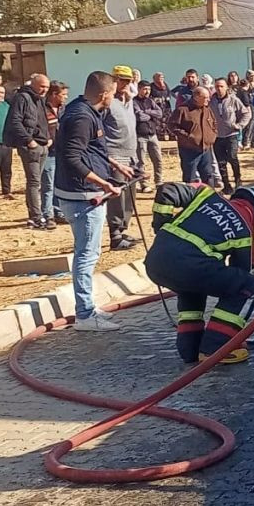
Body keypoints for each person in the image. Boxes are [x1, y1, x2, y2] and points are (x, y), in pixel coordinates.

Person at [145, 183, 254, 364]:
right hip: (191, 266)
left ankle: (190, 349)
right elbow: (242, 276)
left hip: (155, 261)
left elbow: (167, 191)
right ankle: (215, 347)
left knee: (192, 289)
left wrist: (160, 226)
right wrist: (233, 332)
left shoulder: (205, 195)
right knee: (248, 286)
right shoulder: (245, 232)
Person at [55, 70, 131, 332]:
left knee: (90, 252)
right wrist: (105, 184)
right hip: (83, 196)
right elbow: (72, 158)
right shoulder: (80, 117)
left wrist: (114, 165)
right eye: (113, 93)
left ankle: (88, 307)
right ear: (104, 94)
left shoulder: (86, 110)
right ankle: (85, 315)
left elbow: (91, 149)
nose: (115, 97)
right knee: (86, 254)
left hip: (88, 192)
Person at [2, 73, 52, 228]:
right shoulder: (22, 98)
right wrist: (29, 141)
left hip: (43, 146)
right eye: (42, 86)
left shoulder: (40, 99)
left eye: (47, 87)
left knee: (39, 183)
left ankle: (37, 215)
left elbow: (43, 120)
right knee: (34, 183)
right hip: (31, 147)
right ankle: (36, 218)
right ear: (33, 84)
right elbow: (15, 121)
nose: (44, 90)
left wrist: (48, 137)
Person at [103, 65, 140, 251]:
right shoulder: (108, 103)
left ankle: (123, 228)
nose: (126, 84)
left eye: (128, 80)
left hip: (131, 156)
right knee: (117, 196)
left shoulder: (130, 102)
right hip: (115, 156)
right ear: (114, 81)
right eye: (122, 80)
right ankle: (115, 235)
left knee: (129, 196)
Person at [209, 77, 251, 193]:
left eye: (221, 86)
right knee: (220, 161)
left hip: (231, 134)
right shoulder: (210, 101)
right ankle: (226, 185)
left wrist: (239, 125)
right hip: (217, 136)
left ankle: (238, 180)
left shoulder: (233, 100)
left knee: (232, 157)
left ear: (226, 87)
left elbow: (246, 114)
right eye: (217, 86)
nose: (219, 89)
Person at [170, 86, 217, 183]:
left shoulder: (207, 109)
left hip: (205, 149)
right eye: (205, 97)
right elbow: (172, 126)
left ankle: (209, 197)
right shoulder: (182, 110)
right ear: (196, 97)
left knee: (208, 177)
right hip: (189, 150)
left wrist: (212, 135)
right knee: (190, 177)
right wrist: (188, 137)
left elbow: (214, 123)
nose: (208, 100)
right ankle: (191, 197)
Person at [40, 81, 69, 225]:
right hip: (48, 152)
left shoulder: (64, 109)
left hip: (62, 151)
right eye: (63, 95)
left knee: (59, 183)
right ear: (54, 94)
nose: (66, 97)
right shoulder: (41, 108)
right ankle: (47, 214)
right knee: (48, 184)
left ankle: (58, 211)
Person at [133, 80, 164, 192]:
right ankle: (144, 184)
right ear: (139, 89)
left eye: (149, 89)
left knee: (158, 159)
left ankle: (159, 182)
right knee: (141, 161)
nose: (147, 91)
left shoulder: (150, 101)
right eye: (145, 89)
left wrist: (147, 112)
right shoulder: (134, 102)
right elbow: (140, 117)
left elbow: (160, 113)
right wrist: (150, 114)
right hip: (140, 136)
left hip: (153, 135)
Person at [240, 70, 254, 150]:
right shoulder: (245, 84)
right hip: (249, 105)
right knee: (249, 123)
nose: (253, 77)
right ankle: (246, 141)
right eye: (251, 75)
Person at [149, 72, 172, 140]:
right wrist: (155, 100)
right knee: (157, 121)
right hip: (156, 106)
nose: (161, 79)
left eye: (162, 77)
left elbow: (169, 93)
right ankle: (159, 135)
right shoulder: (151, 86)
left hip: (166, 106)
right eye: (159, 77)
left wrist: (168, 97)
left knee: (167, 120)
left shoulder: (165, 85)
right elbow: (149, 96)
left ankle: (168, 134)